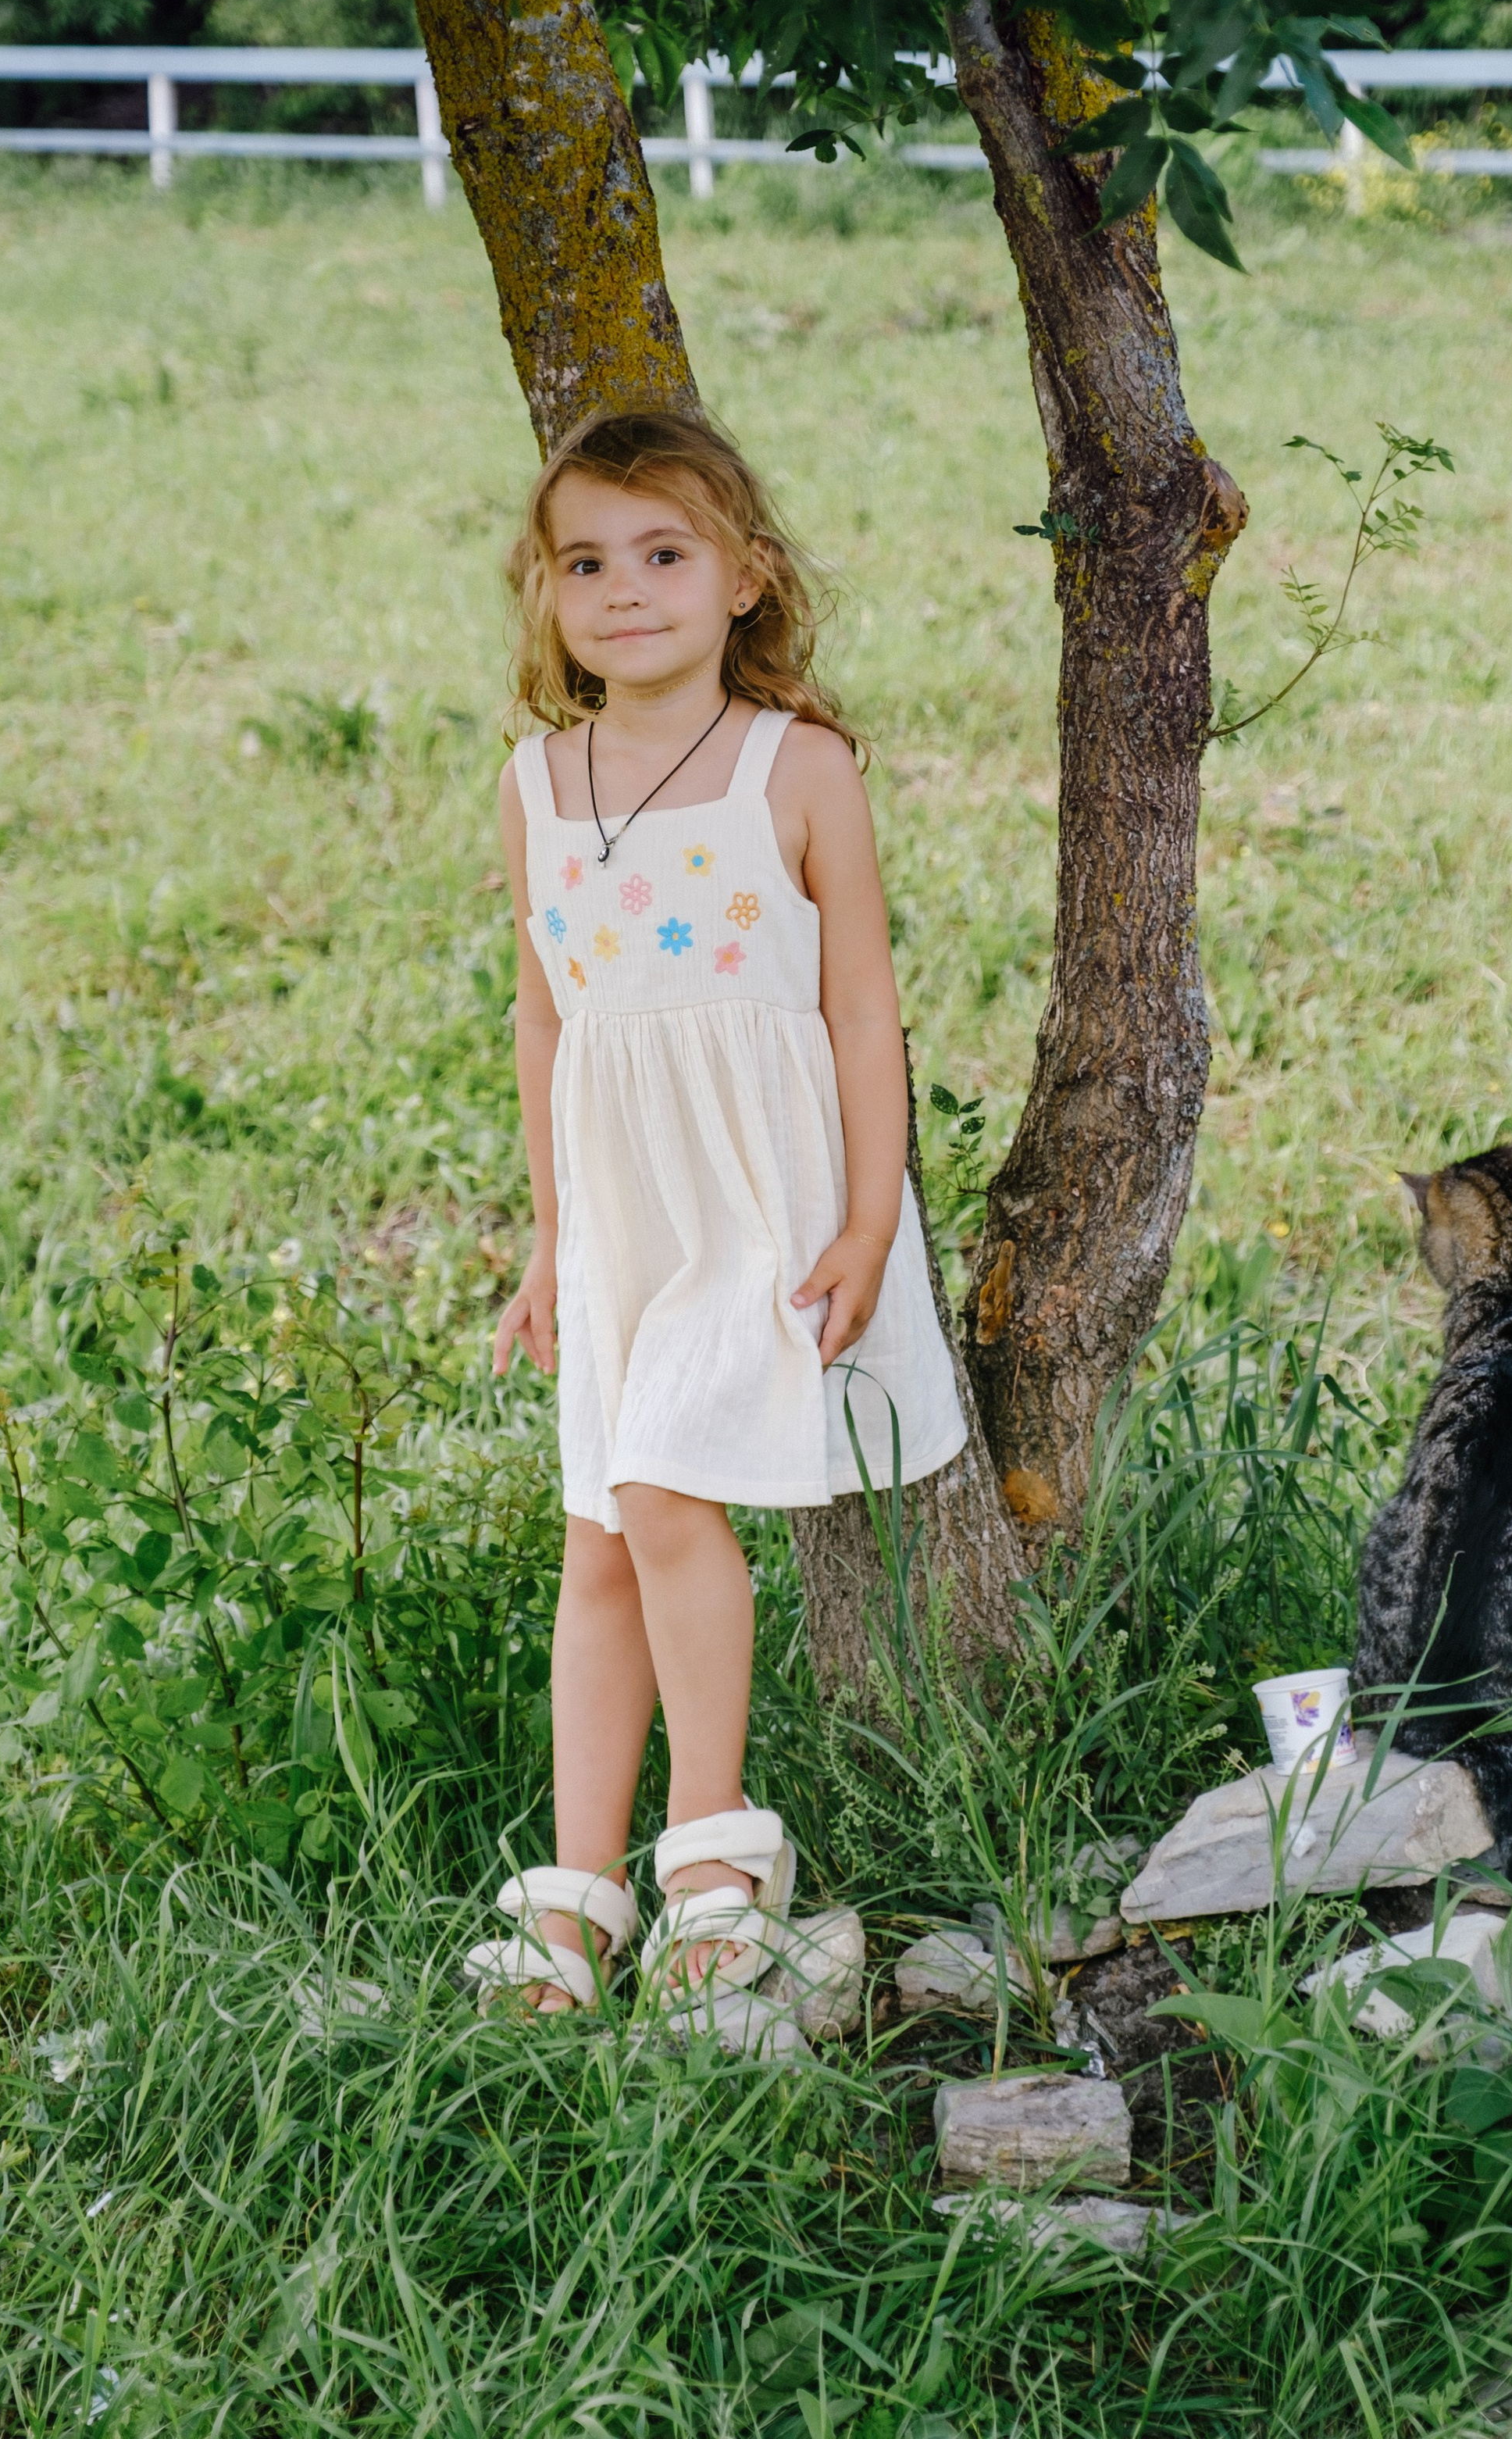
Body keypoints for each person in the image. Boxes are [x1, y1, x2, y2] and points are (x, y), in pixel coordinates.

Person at [465, 406, 965, 2026]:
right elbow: (548, 1020)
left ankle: (715, 1865)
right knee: (597, 1540)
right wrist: (551, 1240)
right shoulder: (535, 785)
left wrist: (871, 1220)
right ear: (544, 594)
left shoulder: (793, 767)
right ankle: (574, 1899)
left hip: (758, 1197)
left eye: (665, 555)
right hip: (621, 1207)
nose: (626, 592)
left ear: (745, 577)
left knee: (669, 1497)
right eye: (585, 563)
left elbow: (861, 1006)